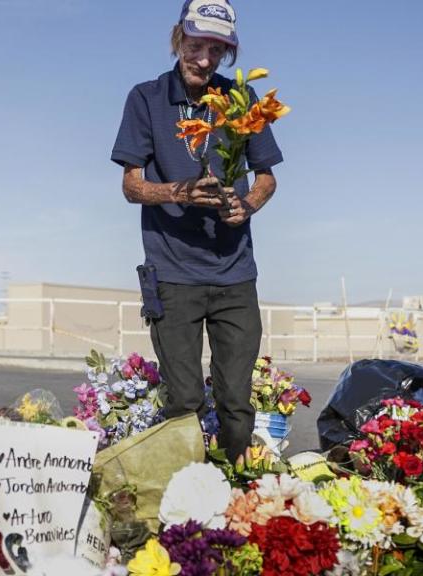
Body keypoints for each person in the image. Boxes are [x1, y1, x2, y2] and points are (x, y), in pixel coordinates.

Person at [110, 0, 283, 462]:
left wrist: (245, 206)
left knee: (236, 403)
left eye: (216, 49)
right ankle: (184, 498)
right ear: (177, 38)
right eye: (195, 44)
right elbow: (131, 187)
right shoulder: (145, 99)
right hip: (173, 275)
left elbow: (267, 178)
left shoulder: (241, 102)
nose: (204, 59)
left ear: (227, 52)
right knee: (184, 401)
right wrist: (180, 193)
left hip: (235, 276)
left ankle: (232, 491)